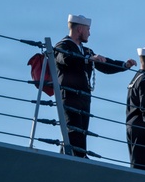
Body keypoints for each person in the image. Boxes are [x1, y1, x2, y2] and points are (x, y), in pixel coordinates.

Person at [54, 14, 136, 157]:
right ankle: (73, 157)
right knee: (73, 130)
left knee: (82, 131)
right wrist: (87, 59)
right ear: (80, 29)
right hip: (70, 95)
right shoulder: (63, 46)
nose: (89, 33)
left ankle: (79, 156)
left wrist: (124, 65)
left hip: (84, 97)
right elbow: (66, 58)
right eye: (88, 29)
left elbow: (104, 65)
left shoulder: (85, 51)